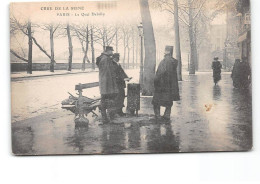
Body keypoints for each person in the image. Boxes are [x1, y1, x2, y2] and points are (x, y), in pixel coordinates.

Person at [152, 46, 180, 121]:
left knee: (156, 102)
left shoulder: (164, 61)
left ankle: (157, 116)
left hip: (162, 85)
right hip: (170, 86)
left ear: (167, 52)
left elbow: (160, 73)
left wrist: (155, 81)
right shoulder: (173, 62)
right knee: (169, 101)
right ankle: (167, 115)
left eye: (165, 51)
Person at [96, 46, 118, 123]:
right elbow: (107, 73)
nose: (112, 53)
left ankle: (106, 117)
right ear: (108, 51)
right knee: (105, 100)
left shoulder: (105, 58)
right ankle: (105, 118)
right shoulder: (105, 59)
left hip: (105, 84)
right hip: (107, 84)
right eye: (111, 51)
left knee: (105, 100)